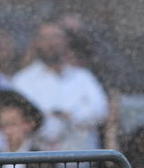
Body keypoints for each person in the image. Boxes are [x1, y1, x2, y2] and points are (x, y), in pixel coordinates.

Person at [11, 20, 109, 152]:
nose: (51, 43)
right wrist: (63, 122)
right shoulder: (22, 81)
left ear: (66, 41)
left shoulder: (83, 77)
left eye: (56, 36)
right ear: (36, 42)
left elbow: (100, 111)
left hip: (83, 160)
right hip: (39, 160)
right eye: (45, 38)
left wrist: (70, 116)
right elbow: (26, 121)